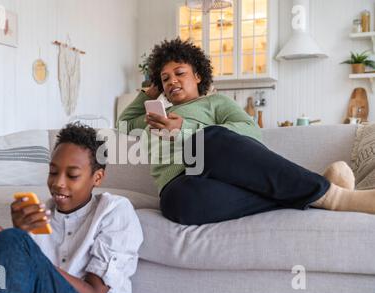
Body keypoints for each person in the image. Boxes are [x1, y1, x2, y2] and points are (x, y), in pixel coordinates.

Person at [118, 38, 375, 226]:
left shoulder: (216, 103)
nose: (172, 80)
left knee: (209, 139)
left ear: (197, 76)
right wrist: (148, 94)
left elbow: (251, 131)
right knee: (178, 204)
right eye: (165, 78)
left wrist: (185, 129)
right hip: (182, 185)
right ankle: (318, 186)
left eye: (179, 73)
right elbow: (123, 125)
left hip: (219, 168)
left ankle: (337, 198)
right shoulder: (155, 118)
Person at [0, 123, 143, 293]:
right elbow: (16, 283)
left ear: (97, 178)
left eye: (72, 175)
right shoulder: (41, 213)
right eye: (53, 172)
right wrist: (7, 245)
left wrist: (24, 249)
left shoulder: (114, 210)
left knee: (13, 240)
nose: (58, 183)